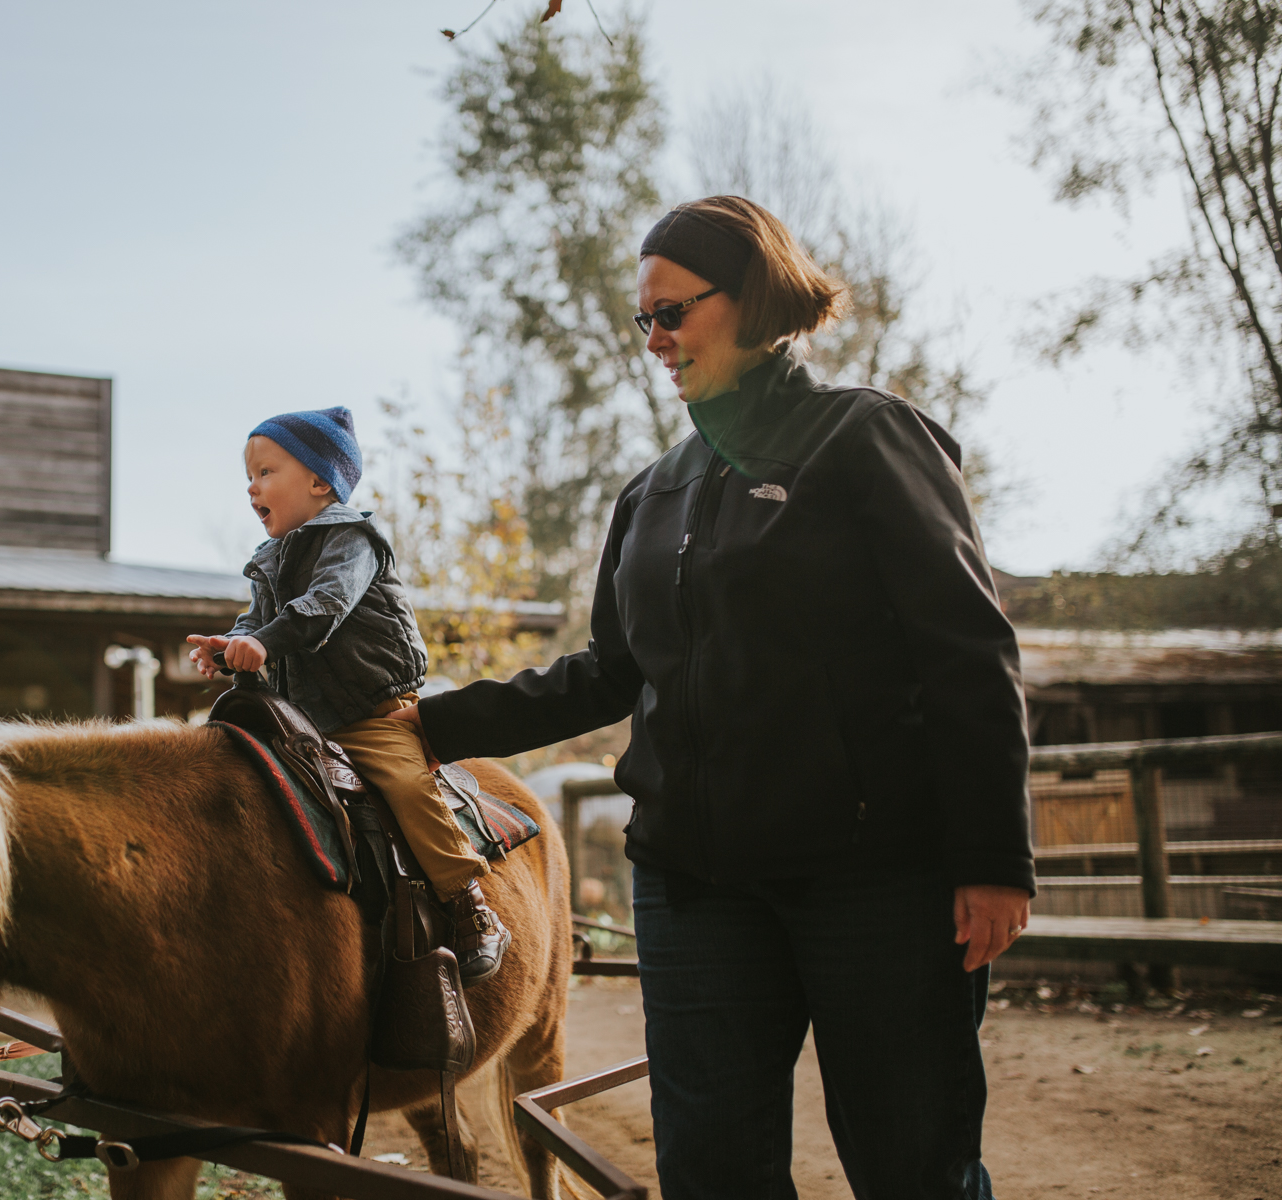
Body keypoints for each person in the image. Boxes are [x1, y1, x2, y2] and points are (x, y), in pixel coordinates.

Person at [388, 197, 1034, 1197]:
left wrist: (995, 858)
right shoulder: (651, 494)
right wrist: (431, 722)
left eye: (672, 312)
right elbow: (607, 671)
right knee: (711, 1173)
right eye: (641, 320)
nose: (655, 340)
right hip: (695, 888)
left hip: (876, 882)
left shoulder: (865, 438)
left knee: (915, 1168)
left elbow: (967, 651)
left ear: (752, 300)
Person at [187, 406, 511, 983]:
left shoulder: (351, 537)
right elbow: (259, 618)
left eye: (265, 472)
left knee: (407, 785)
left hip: (370, 715)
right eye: (249, 476)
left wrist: (262, 642)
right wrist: (232, 641)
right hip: (304, 724)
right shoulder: (269, 560)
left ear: (319, 481)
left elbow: (324, 607)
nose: (251, 486)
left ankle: (469, 903)